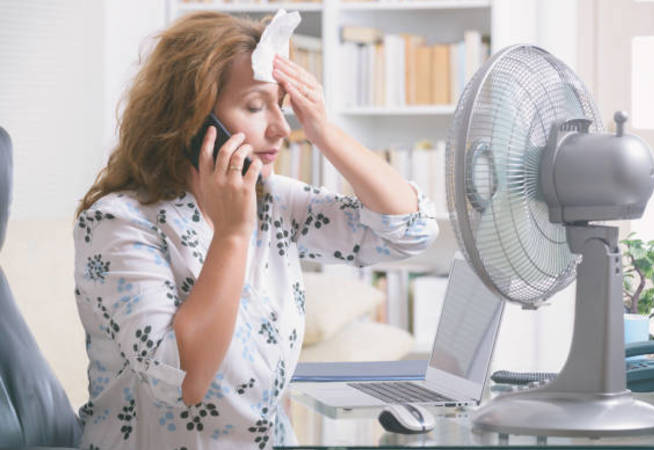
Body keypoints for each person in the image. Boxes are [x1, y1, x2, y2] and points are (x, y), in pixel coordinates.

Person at [73, 11, 438, 450]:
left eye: (281, 107)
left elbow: (409, 231)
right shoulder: (118, 223)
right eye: (253, 107)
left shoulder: (272, 200)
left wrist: (323, 131)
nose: (281, 129)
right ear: (194, 120)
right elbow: (181, 379)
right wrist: (231, 236)